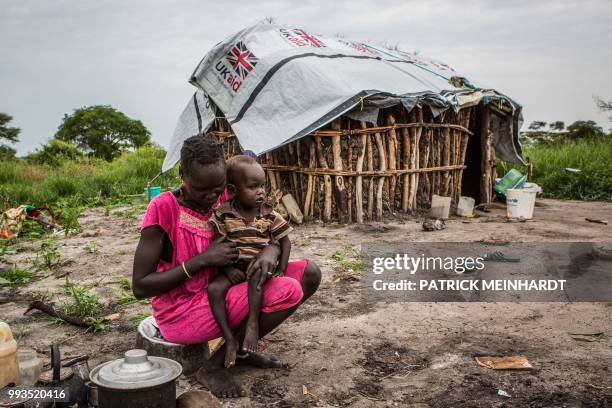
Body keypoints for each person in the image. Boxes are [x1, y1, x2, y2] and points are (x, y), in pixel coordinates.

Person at [132, 133, 321, 398]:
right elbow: (140, 286)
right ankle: (212, 367)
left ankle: (241, 350)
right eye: (201, 189)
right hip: (183, 310)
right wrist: (202, 261)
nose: (211, 197)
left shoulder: (226, 196)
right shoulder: (164, 208)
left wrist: (271, 248)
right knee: (287, 289)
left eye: (217, 187)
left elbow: (267, 226)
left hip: (233, 284)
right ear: (182, 174)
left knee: (309, 274)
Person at [207, 155, 293, 369]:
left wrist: (281, 268)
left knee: (257, 277)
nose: (261, 191)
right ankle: (229, 338)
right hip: (234, 267)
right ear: (233, 190)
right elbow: (217, 243)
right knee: (214, 289)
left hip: (257, 266)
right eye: (253, 187)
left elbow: (285, 241)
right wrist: (227, 270)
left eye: (263, 186)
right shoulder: (223, 214)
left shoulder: (269, 214)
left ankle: (253, 324)